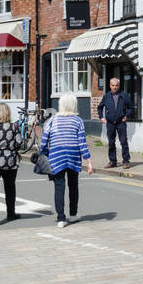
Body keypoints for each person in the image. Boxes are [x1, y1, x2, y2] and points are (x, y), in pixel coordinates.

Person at [39, 93, 93, 227]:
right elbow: (82, 143)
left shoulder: (51, 120)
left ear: (61, 105)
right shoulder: (78, 121)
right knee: (73, 186)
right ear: (74, 105)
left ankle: (61, 218)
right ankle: (73, 215)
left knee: (59, 186)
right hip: (74, 155)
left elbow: (44, 141)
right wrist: (89, 161)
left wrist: (43, 154)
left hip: (56, 156)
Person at [97, 76, 133, 169]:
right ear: (110, 86)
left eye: (116, 85)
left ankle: (126, 161)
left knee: (123, 141)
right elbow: (100, 107)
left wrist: (126, 116)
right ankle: (113, 161)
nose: (114, 87)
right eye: (113, 85)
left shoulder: (124, 95)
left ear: (119, 86)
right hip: (110, 123)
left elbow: (131, 107)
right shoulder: (106, 96)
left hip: (121, 122)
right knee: (111, 143)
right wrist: (101, 117)